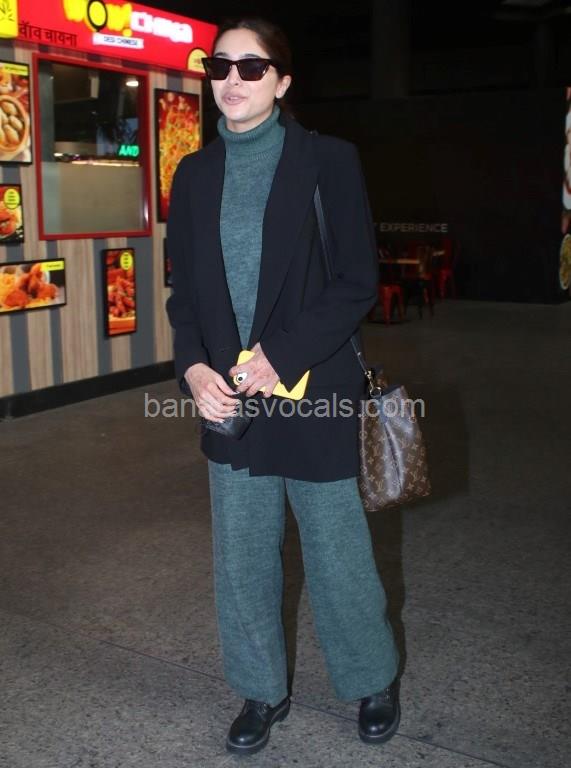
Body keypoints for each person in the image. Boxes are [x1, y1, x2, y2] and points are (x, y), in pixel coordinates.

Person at [166, 16, 401, 756]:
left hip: (313, 390)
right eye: (219, 66)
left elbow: (355, 281)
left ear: (282, 81)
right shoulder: (193, 174)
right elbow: (183, 295)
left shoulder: (327, 160)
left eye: (251, 67)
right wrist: (192, 367)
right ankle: (260, 690)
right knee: (240, 557)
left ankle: (371, 677)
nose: (231, 80)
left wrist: (279, 357)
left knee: (336, 550)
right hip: (229, 400)